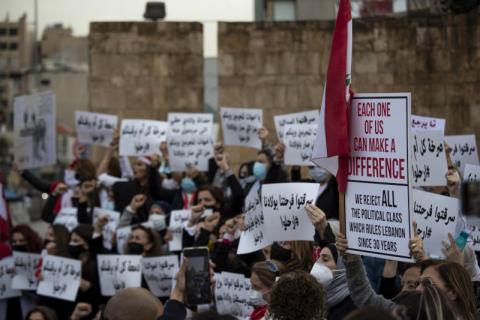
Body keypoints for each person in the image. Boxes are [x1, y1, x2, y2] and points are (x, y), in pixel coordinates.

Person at [310, 244, 356, 320]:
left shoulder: (352, 309)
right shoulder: (317, 300)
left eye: (325, 259)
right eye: (318, 259)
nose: (317, 264)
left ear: (342, 266)